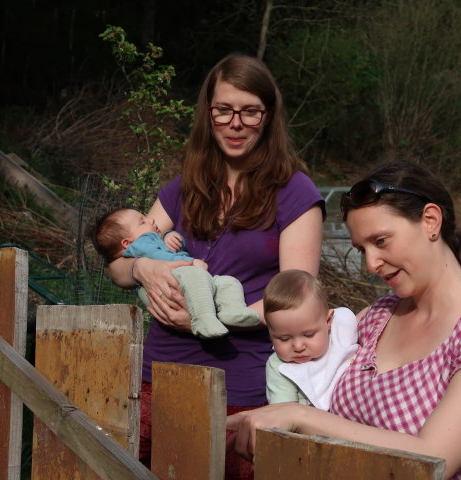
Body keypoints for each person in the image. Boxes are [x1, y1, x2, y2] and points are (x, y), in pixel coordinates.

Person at [227, 160, 461, 480]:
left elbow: (434, 460)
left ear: (430, 221)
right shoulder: (379, 315)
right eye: (361, 249)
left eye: (381, 241)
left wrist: (298, 417)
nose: (371, 264)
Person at [106, 53, 325, 478]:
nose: (235, 123)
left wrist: (210, 319)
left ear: (269, 115)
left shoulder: (295, 192)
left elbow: (294, 299)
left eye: (249, 112)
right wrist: (142, 270)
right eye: (223, 110)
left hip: (239, 383)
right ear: (208, 113)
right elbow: (118, 264)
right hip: (159, 376)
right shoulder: (186, 186)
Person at [92, 207, 260, 338]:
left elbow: (166, 249)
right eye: (142, 222)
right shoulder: (141, 245)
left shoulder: (149, 241)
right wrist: (192, 264)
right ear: (127, 243)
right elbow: (160, 257)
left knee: (228, 282)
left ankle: (233, 311)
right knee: (197, 276)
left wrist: (168, 236)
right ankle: (204, 320)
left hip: (181, 279)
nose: (150, 219)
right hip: (174, 279)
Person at [264, 269, 358, 410]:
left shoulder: (341, 335)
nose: (298, 346)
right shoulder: (280, 368)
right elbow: (284, 414)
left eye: (308, 335)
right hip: (309, 429)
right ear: (271, 333)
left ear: (328, 321)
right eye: (284, 339)